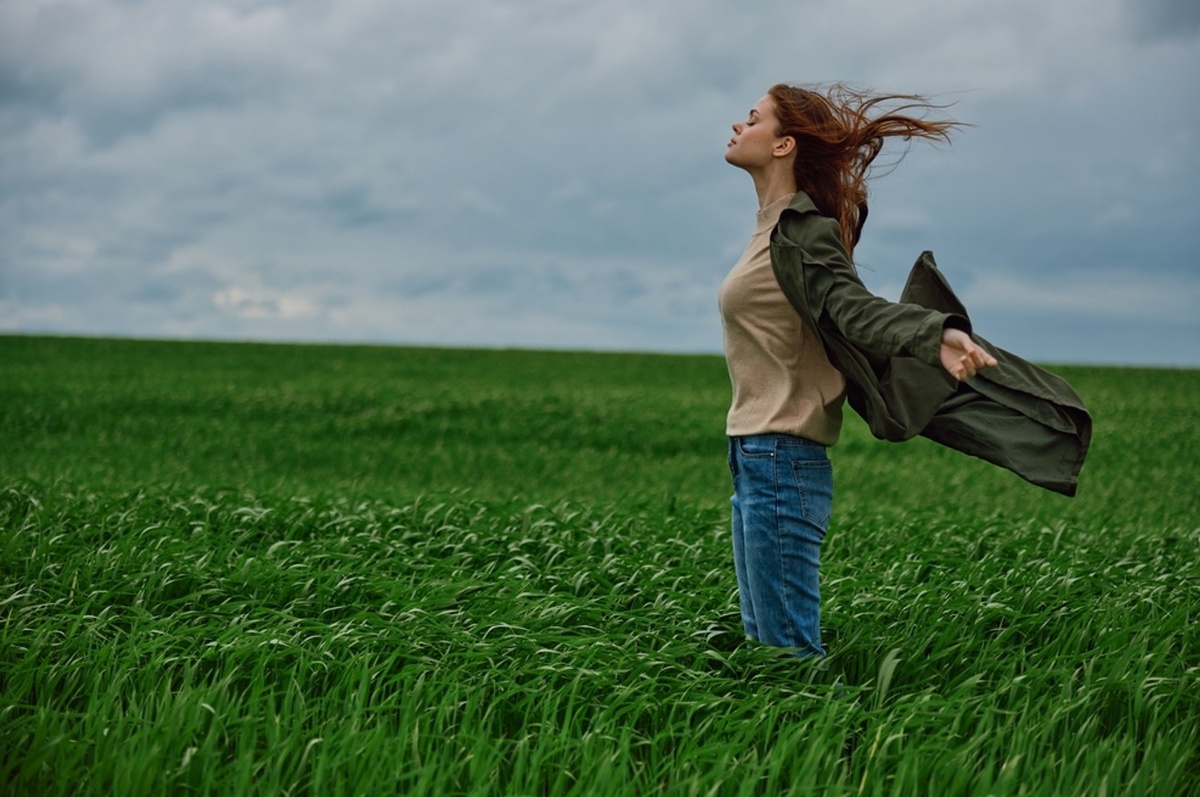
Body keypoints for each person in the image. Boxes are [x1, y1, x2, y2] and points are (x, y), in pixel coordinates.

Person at [718, 83, 998, 657]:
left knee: (787, 653)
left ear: (783, 145)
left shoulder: (804, 231)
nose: (737, 126)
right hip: (752, 455)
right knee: (764, 651)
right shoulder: (770, 228)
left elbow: (854, 308)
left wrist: (934, 332)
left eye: (752, 119)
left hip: (781, 457)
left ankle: (844, 744)